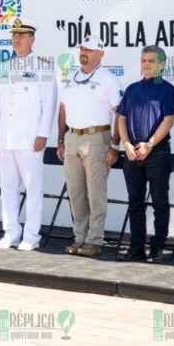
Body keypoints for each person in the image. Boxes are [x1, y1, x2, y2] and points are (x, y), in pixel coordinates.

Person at [0, 18, 57, 251]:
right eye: (14, 35)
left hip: (30, 139)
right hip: (6, 137)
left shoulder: (43, 66)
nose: (16, 39)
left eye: (22, 35)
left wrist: (43, 134)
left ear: (32, 39)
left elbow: (49, 104)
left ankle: (32, 234)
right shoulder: (5, 66)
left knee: (33, 188)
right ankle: (11, 232)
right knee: (8, 187)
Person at [57, 35, 122, 257]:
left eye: (89, 49)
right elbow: (63, 110)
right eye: (82, 49)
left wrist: (115, 145)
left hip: (97, 138)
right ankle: (80, 237)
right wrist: (60, 139)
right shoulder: (70, 77)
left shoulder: (109, 79)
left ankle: (95, 239)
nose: (83, 53)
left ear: (101, 54)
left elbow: (119, 114)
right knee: (75, 191)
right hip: (72, 137)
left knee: (96, 193)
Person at [116, 45, 174, 263]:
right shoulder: (132, 89)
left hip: (157, 153)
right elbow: (121, 117)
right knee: (135, 202)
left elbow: (168, 120)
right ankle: (136, 247)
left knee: (159, 201)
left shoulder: (168, 90)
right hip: (132, 153)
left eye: (151, 61)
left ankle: (158, 247)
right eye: (143, 60)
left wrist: (150, 144)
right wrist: (125, 143)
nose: (146, 64)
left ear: (162, 65)